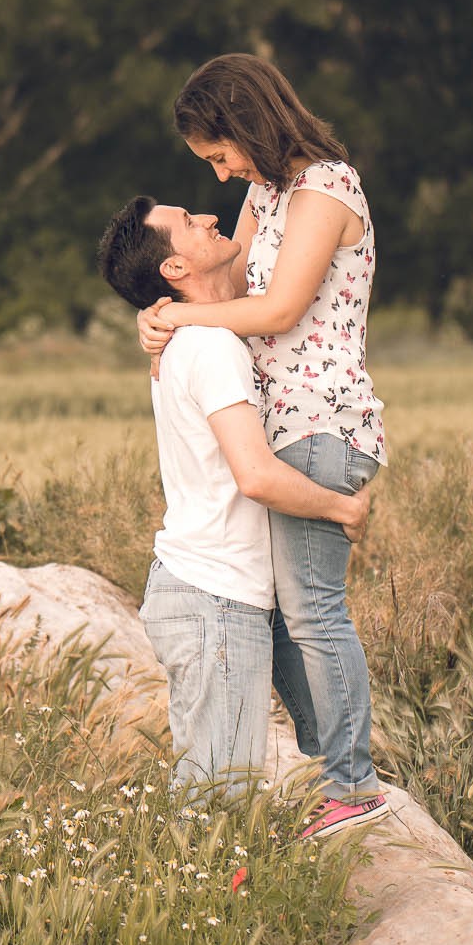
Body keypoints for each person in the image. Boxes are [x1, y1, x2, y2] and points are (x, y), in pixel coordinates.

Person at [136, 53, 390, 839]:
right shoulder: (265, 194)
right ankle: (337, 765)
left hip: (322, 421)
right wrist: (162, 307)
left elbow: (277, 309)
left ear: (246, 124)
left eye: (221, 154)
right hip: (283, 426)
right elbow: (228, 287)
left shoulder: (326, 188)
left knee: (312, 611)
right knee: (290, 614)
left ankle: (353, 783)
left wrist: (175, 318)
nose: (221, 175)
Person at [96, 193, 372, 806]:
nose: (210, 218)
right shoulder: (212, 347)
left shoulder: (189, 339)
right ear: (174, 269)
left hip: (205, 593)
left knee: (217, 791)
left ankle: (344, 786)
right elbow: (256, 476)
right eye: (190, 224)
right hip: (212, 598)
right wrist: (341, 507)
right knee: (219, 802)